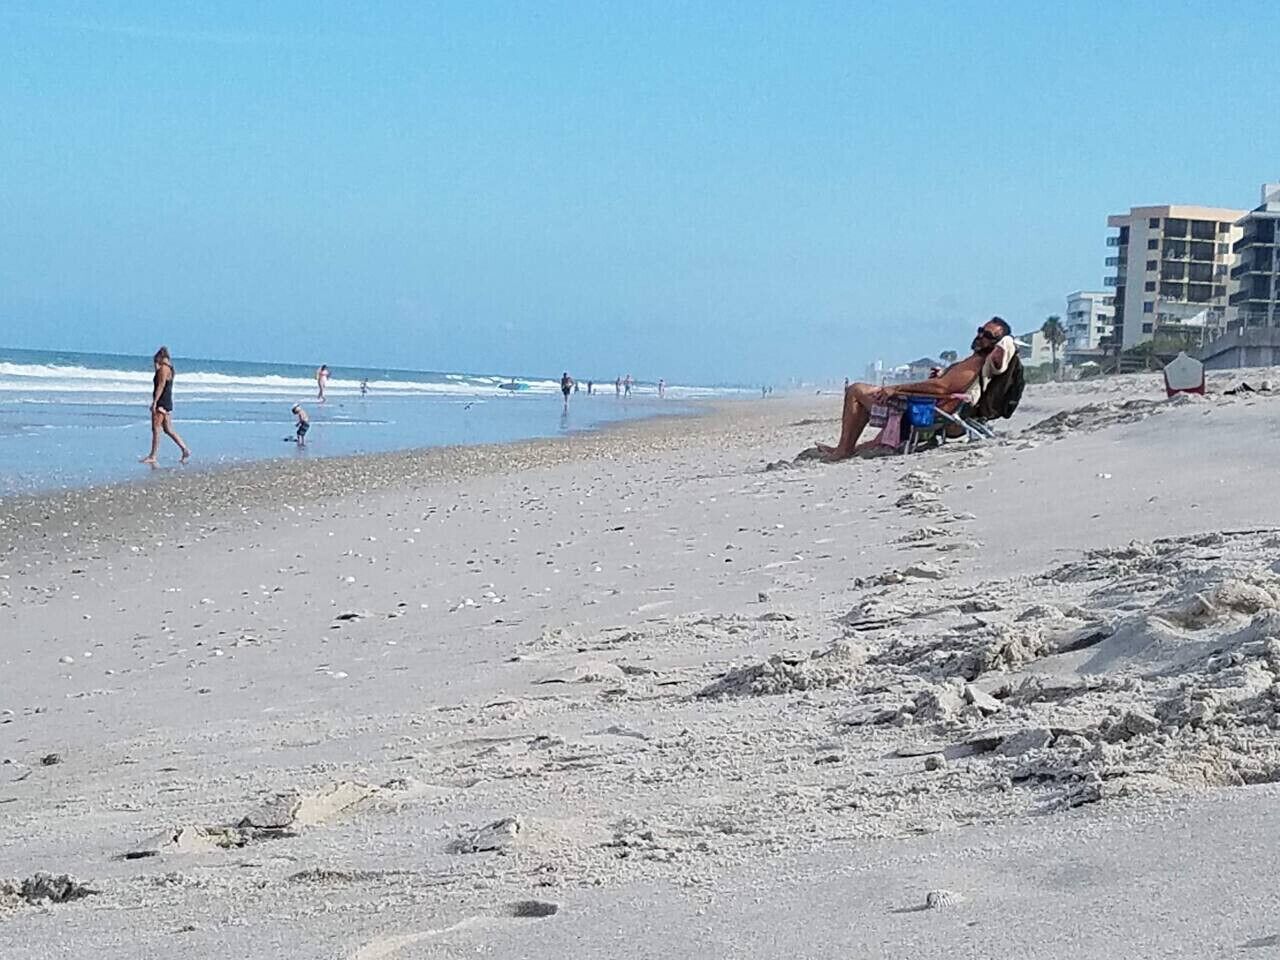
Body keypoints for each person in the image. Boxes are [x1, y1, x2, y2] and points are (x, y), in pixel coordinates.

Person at [819, 317, 1015, 461]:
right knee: (864, 396)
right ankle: (848, 448)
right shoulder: (976, 362)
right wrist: (942, 375)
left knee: (856, 390)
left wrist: (896, 389)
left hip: (925, 411)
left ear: (997, 343)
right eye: (981, 330)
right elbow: (944, 384)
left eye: (988, 335)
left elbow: (940, 388)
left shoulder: (976, 363)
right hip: (932, 406)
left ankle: (844, 450)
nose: (980, 336)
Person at [141, 346, 190, 465]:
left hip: (162, 401)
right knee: (168, 429)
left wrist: (155, 402)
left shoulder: (164, 369)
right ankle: (184, 449)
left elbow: (161, 386)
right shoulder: (169, 369)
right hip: (167, 401)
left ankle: (153, 455)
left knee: (156, 428)